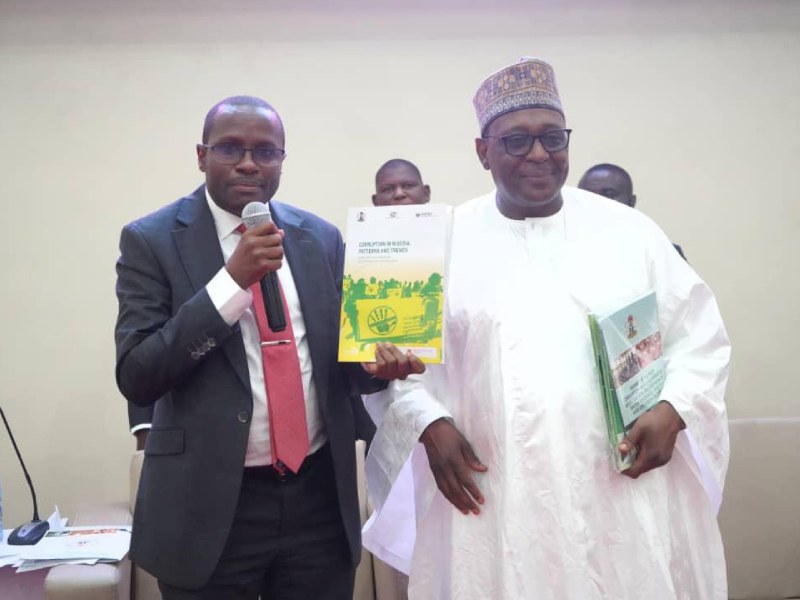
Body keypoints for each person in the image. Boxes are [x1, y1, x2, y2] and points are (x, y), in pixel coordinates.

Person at [363, 58, 731, 599]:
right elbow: (400, 368)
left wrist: (674, 407)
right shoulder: (435, 240)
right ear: (482, 151)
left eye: (552, 137)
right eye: (515, 140)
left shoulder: (631, 234)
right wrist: (428, 422)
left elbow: (699, 337)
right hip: (493, 490)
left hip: (617, 489)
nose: (539, 154)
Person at [114, 95, 419, 599]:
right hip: (207, 505)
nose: (250, 163)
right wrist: (230, 284)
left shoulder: (319, 237)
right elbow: (138, 373)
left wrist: (376, 367)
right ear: (200, 155)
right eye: (231, 148)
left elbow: (343, 365)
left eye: (266, 151)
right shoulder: (152, 240)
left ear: (282, 158)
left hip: (317, 498)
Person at [578, 162, 687, 259]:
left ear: (631, 202)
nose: (596, 203)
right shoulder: (563, 246)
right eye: (587, 196)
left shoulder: (662, 253)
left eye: (608, 195)